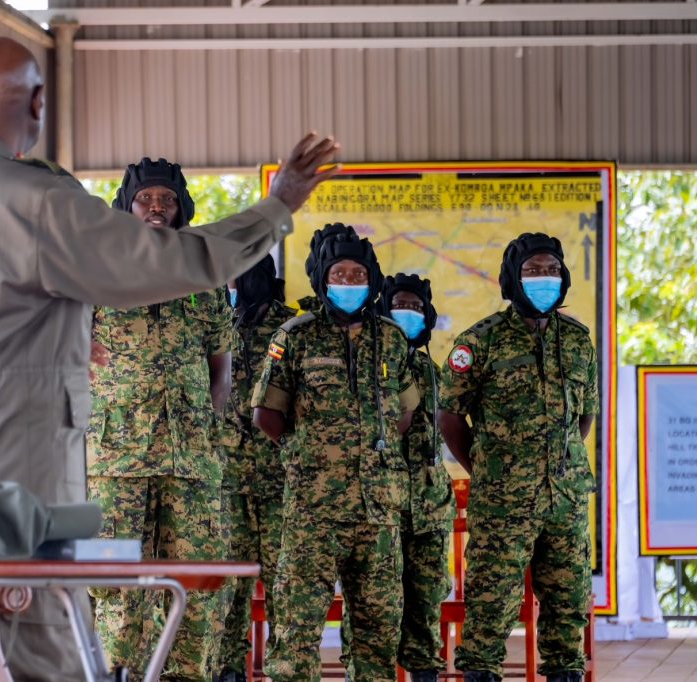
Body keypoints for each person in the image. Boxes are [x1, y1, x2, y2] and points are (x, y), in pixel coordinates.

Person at [0, 35, 339, 681]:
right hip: (14, 475)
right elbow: (171, 262)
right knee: (28, 640)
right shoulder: (36, 202)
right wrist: (276, 205)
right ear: (38, 102)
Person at [86, 158, 236, 682]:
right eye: (146, 198)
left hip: (190, 457)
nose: (156, 207)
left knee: (198, 576)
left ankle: (186, 676)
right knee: (114, 578)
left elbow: (222, 368)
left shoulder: (203, 278)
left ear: (180, 209)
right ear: (127, 207)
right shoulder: (94, 273)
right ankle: (116, 672)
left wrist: (207, 429)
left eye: (166, 199)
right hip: (114, 457)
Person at [251, 223, 418, 682]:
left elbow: (404, 413)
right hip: (313, 512)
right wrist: (308, 453)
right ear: (323, 280)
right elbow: (267, 414)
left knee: (378, 630)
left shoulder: (391, 338)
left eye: (356, 274)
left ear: (372, 279)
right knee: (297, 629)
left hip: (378, 512)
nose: (348, 283)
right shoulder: (295, 335)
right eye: (339, 275)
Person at [436, 233, 598, 682]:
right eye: (533, 271)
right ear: (513, 278)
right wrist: (488, 470)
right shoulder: (480, 342)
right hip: (503, 503)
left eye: (551, 270)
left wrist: (556, 465)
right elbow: (449, 418)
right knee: (491, 604)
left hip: (564, 501)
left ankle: (565, 672)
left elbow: (583, 418)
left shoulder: (579, 341)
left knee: (567, 607)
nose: (544, 279)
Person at [341, 273, 454, 682]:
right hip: (377, 509)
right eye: (398, 306)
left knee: (425, 606)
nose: (408, 314)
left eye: (417, 307)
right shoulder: (363, 366)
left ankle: (425, 672)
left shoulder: (434, 372)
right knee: (372, 610)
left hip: (427, 510)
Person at [214, 255, 298, 682]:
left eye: (238, 275)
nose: (232, 285)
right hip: (227, 478)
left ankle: (286, 668)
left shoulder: (292, 327)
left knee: (286, 582)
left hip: (280, 478)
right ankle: (228, 667)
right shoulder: (216, 320)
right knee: (228, 583)